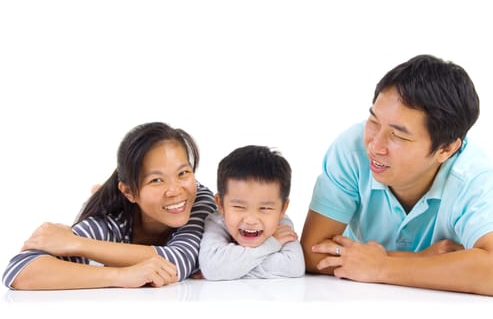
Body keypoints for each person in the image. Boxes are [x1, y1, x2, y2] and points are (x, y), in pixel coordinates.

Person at [300, 54, 493, 298]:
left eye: (398, 136)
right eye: (374, 121)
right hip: (354, 301)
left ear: (446, 149)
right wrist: (416, 260)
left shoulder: (471, 175)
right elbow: (311, 252)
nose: (375, 145)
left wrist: (382, 266)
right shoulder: (352, 149)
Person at [2, 122, 217, 290]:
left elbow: (178, 262)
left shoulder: (199, 202)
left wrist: (76, 244)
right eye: (156, 180)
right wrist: (120, 276)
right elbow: (19, 271)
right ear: (129, 192)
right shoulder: (115, 222)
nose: (175, 190)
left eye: (183, 173)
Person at [198, 145, 305, 280]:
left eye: (265, 208)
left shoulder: (282, 225)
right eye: (239, 206)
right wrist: (272, 244)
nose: (251, 220)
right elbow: (213, 268)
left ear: (283, 209)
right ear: (220, 204)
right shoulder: (216, 222)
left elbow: (294, 267)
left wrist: (229, 269)